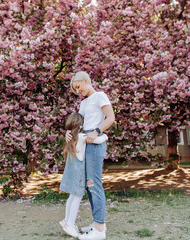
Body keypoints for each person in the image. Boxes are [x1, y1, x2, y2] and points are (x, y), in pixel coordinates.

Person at [66, 71, 115, 240]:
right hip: (85, 142)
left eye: (78, 87)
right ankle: (97, 224)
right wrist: (70, 134)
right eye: (75, 89)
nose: (77, 91)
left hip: (95, 144)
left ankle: (100, 231)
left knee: (94, 184)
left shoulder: (100, 96)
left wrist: (96, 131)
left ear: (86, 81)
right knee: (89, 185)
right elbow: (80, 124)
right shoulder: (85, 103)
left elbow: (111, 118)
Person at [59, 113, 108, 238]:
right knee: (77, 198)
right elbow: (99, 139)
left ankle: (66, 220)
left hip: (71, 173)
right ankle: (70, 224)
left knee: (71, 198)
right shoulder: (81, 136)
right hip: (79, 175)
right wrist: (105, 135)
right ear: (82, 125)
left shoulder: (71, 138)